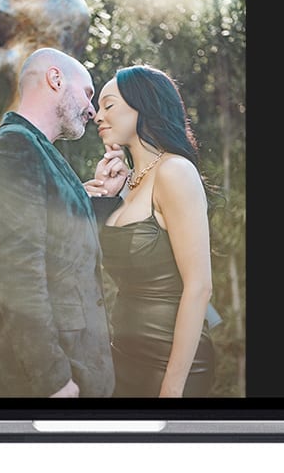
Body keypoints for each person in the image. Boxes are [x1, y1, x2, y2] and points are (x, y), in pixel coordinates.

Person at [0, 48, 126, 397]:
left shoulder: (38, 150)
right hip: (37, 384)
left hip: (74, 372)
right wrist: (51, 378)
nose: (91, 110)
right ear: (55, 79)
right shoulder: (13, 150)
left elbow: (61, 246)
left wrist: (99, 200)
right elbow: (17, 274)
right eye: (88, 93)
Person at [89, 65, 216, 397]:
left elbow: (200, 287)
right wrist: (106, 195)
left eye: (108, 105)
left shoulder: (175, 171)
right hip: (122, 358)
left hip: (170, 364)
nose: (97, 115)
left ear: (142, 104)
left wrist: (172, 389)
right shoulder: (128, 183)